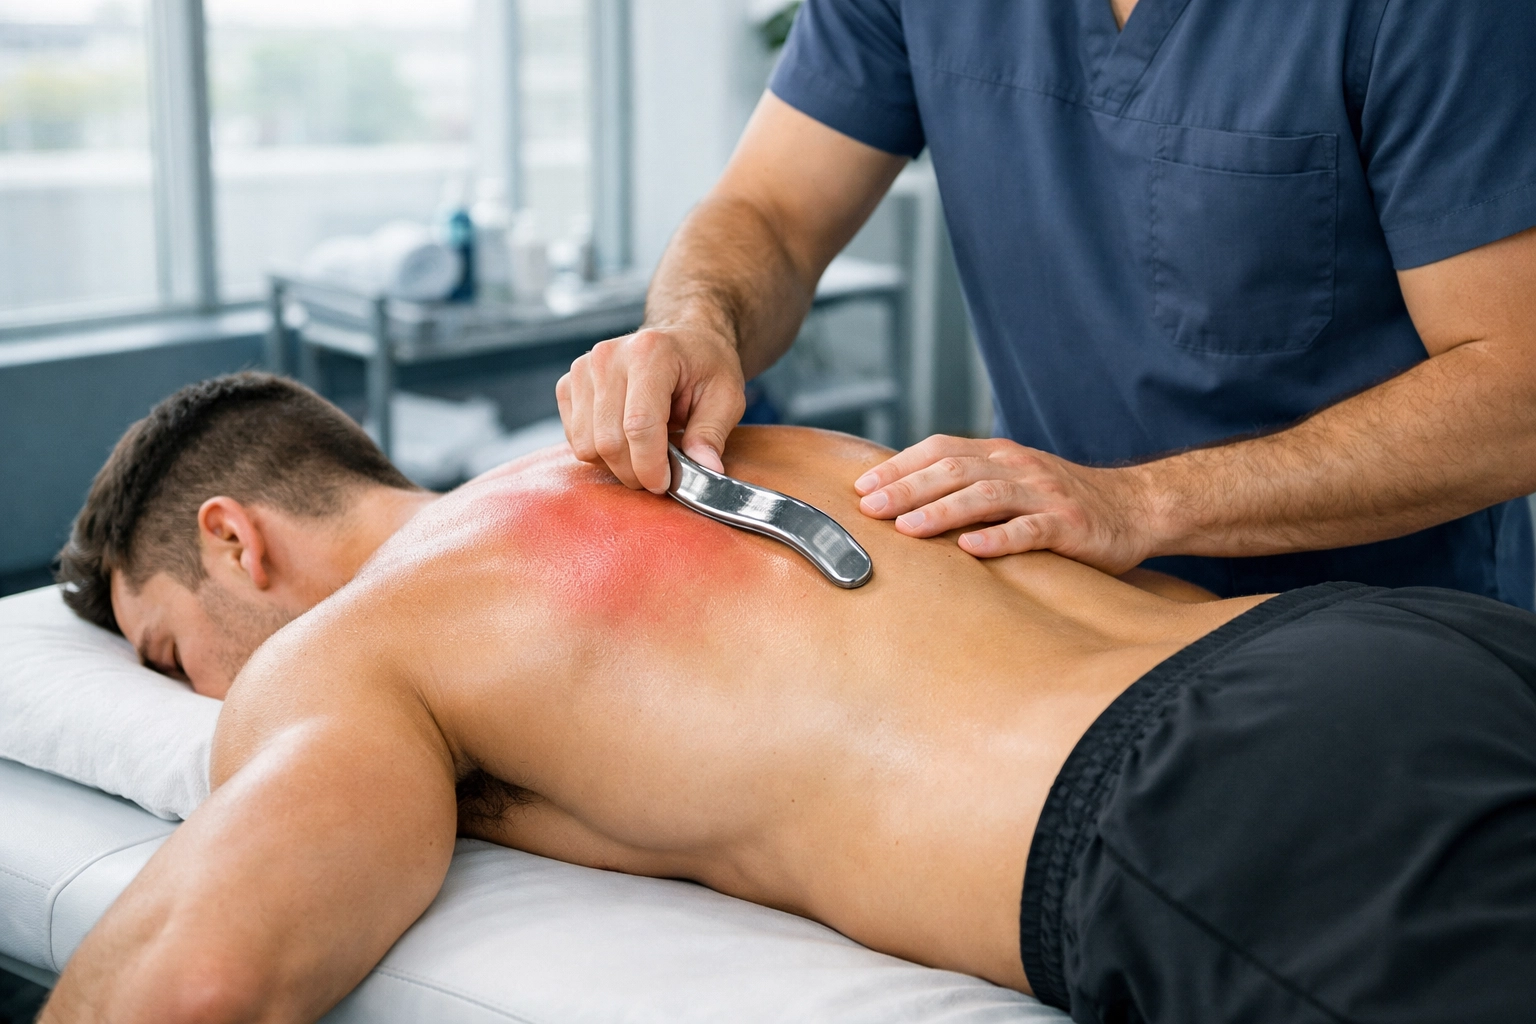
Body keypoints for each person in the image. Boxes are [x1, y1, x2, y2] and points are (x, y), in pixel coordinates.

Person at [42, 374, 1536, 1024]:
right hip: (1405, 645)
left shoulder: (355, 643)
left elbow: (203, 986)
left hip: (1230, 808)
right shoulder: (725, 438)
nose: (204, 696)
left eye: (174, 651)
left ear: (234, 537)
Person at [558, 0, 1536, 608]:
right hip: (1056, 606)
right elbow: (769, 210)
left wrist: (1143, 502)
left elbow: (1516, 389)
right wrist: (696, 323)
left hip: (1379, 635)